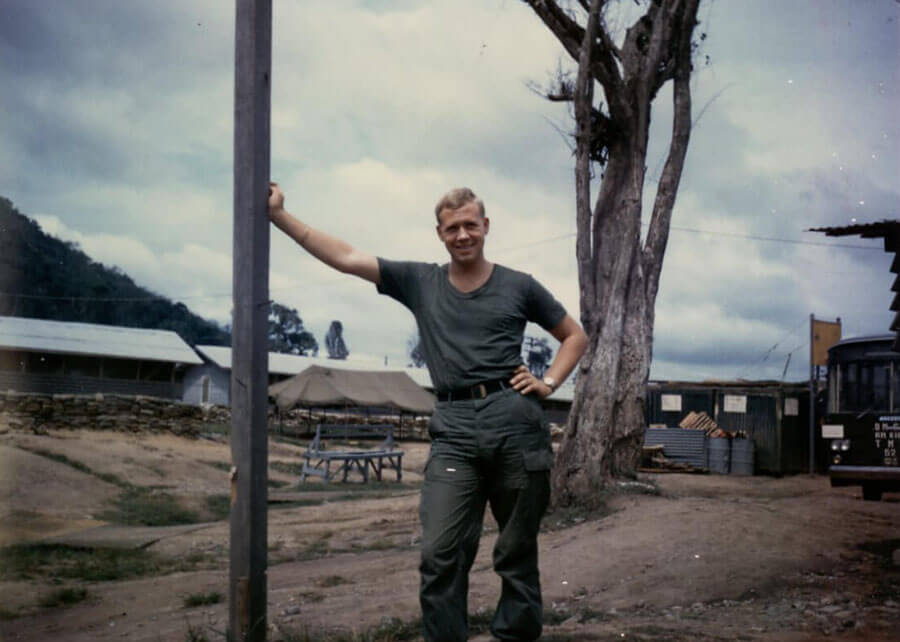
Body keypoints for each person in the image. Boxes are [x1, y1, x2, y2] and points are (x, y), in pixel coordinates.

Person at [268, 184, 588, 641]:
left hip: (515, 425)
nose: (463, 235)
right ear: (439, 233)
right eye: (452, 227)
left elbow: (574, 336)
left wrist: (549, 382)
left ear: (486, 227)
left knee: (516, 551)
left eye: (470, 225)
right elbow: (347, 257)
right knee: (440, 552)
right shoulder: (421, 281)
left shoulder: (519, 285)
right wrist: (281, 217)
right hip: (454, 429)